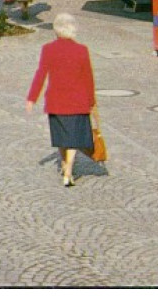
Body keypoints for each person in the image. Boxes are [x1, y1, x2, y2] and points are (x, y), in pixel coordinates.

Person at [26, 12, 97, 187]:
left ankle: (65, 163)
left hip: (56, 101)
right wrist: (91, 100)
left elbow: (41, 74)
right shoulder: (82, 50)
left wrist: (32, 98)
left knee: (61, 136)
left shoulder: (48, 49)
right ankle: (68, 170)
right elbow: (88, 77)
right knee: (73, 138)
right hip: (77, 101)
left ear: (56, 30)